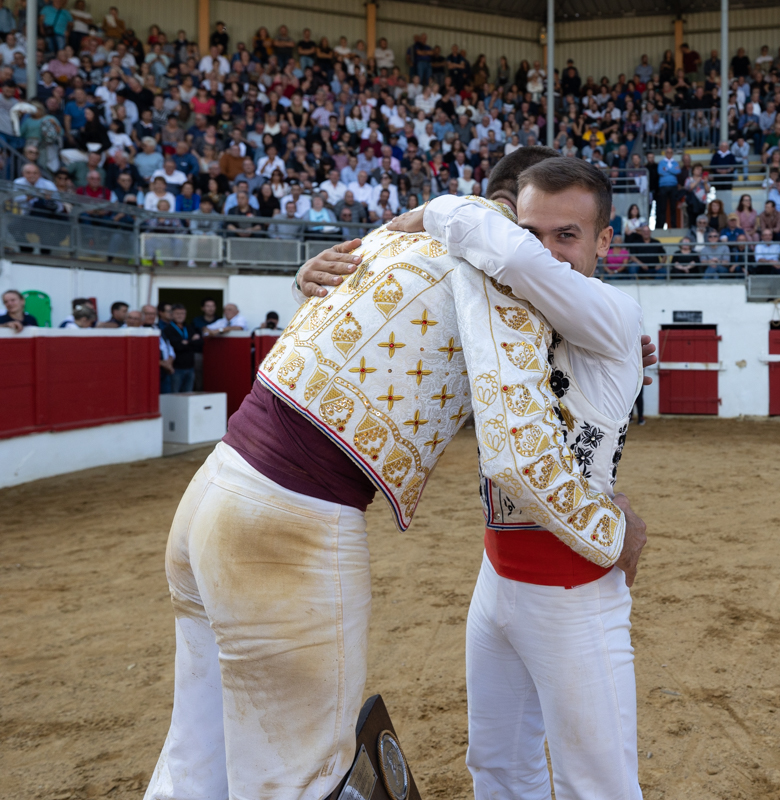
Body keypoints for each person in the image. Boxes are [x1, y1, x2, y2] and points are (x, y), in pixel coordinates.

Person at [146, 147, 649, 800]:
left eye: (567, 235)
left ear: (603, 242)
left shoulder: (514, 284)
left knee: (196, 762)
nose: (542, 253)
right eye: (528, 232)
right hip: (309, 532)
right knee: (315, 780)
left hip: (218, 490)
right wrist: (615, 527)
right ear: (503, 219)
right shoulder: (494, 286)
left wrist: (421, 219)